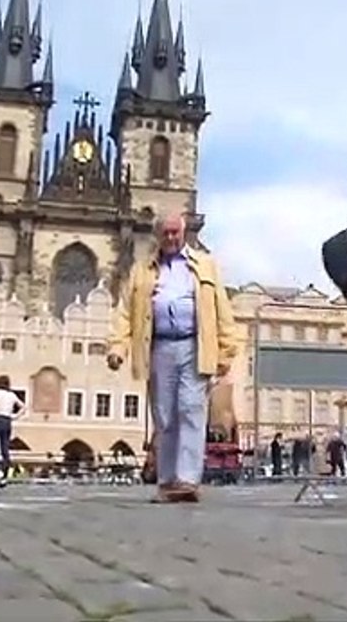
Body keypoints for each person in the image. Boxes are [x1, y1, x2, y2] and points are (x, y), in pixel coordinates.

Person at [107, 210, 240, 503]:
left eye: (175, 232)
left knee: (191, 410)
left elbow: (222, 310)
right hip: (160, 347)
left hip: (195, 345)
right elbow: (125, 312)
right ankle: (167, 481)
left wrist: (227, 351)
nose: (170, 237)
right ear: (158, 235)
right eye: (165, 233)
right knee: (165, 416)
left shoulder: (205, 265)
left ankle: (187, 481)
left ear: (183, 232)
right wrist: (117, 347)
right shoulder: (142, 270)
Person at [0, 375, 24, 487]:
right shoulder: (11, 395)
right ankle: (4, 478)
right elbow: (23, 407)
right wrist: (15, 416)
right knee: (5, 449)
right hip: (7, 420)